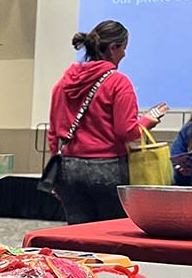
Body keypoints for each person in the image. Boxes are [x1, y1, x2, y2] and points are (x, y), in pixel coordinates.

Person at [46, 20, 166, 224]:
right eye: (124, 48)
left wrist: (56, 172)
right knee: (110, 234)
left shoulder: (63, 83)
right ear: (113, 48)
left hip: (68, 168)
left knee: (77, 236)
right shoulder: (119, 83)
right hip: (107, 169)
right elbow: (125, 131)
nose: (125, 54)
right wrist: (147, 121)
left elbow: (53, 133)